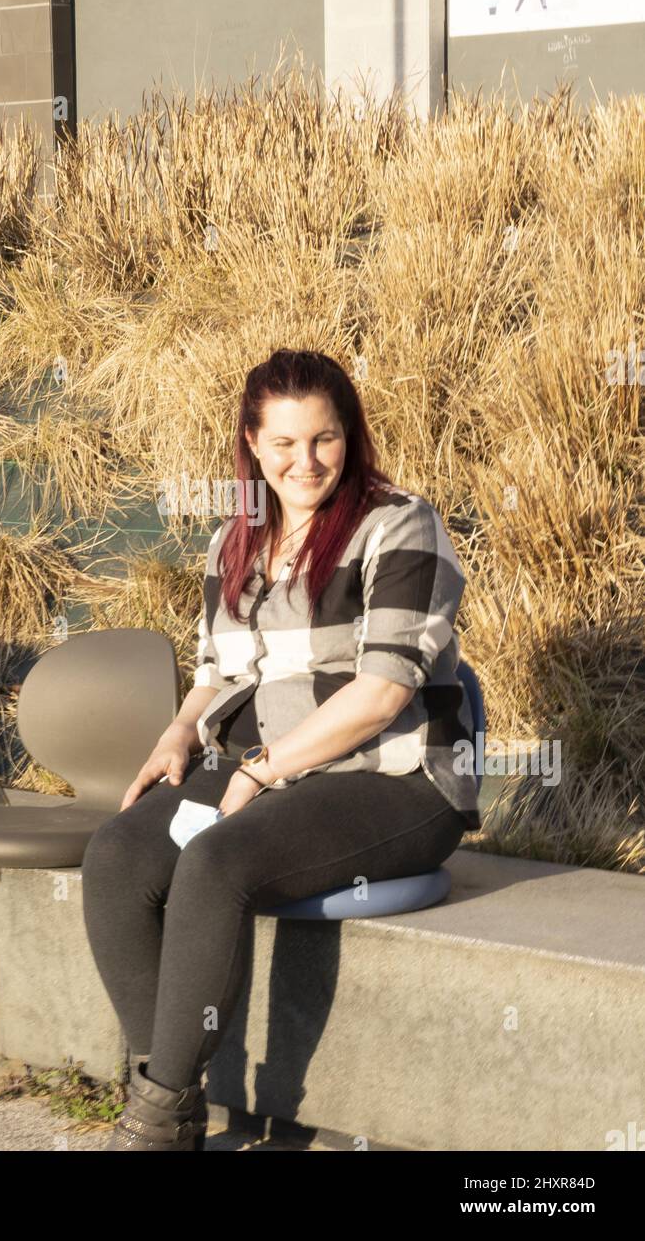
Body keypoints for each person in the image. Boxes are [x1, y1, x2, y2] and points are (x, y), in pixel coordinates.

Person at [81, 348, 480, 1151]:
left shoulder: (400, 523)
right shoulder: (236, 540)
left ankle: (153, 1131)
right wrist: (176, 736)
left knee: (218, 861)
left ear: (350, 435)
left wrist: (262, 771)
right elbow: (215, 673)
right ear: (253, 446)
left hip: (392, 777)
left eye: (326, 440)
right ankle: (168, 1098)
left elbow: (383, 694)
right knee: (119, 856)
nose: (308, 462)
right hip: (264, 768)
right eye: (287, 444)